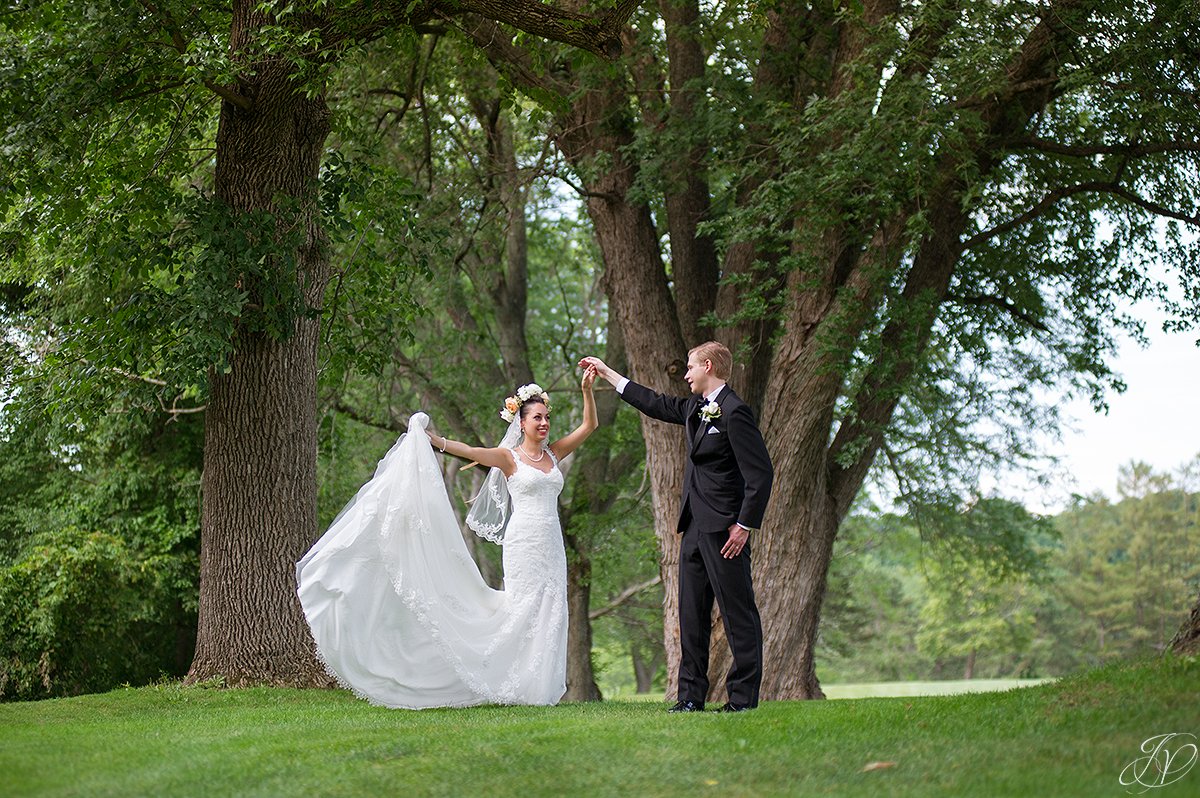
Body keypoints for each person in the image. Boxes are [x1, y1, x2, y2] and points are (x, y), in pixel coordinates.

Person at [296, 369, 598, 709]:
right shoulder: (508, 458)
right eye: (537, 418)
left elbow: (589, 427)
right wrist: (433, 440)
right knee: (523, 609)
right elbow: (469, 451)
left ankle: (538, 689)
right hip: (523, 543)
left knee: (551, 609)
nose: (544, 423)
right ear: (522, 423)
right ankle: (502, 680)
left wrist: (587, 390)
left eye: (546, 417)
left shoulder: (553, 455)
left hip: (552, 544)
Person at [580, 343, 773, 712]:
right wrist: (607, 373)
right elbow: (652, 402)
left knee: (738, 614)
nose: (685, 374)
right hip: (694, 529)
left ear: (708, 366)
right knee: (691, 616)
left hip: (726, 532)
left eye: (690, 367)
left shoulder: (735, 412)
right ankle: (689, 698)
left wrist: (744, 525)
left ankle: (743, 699)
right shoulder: (692, 409)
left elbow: (760, 473)